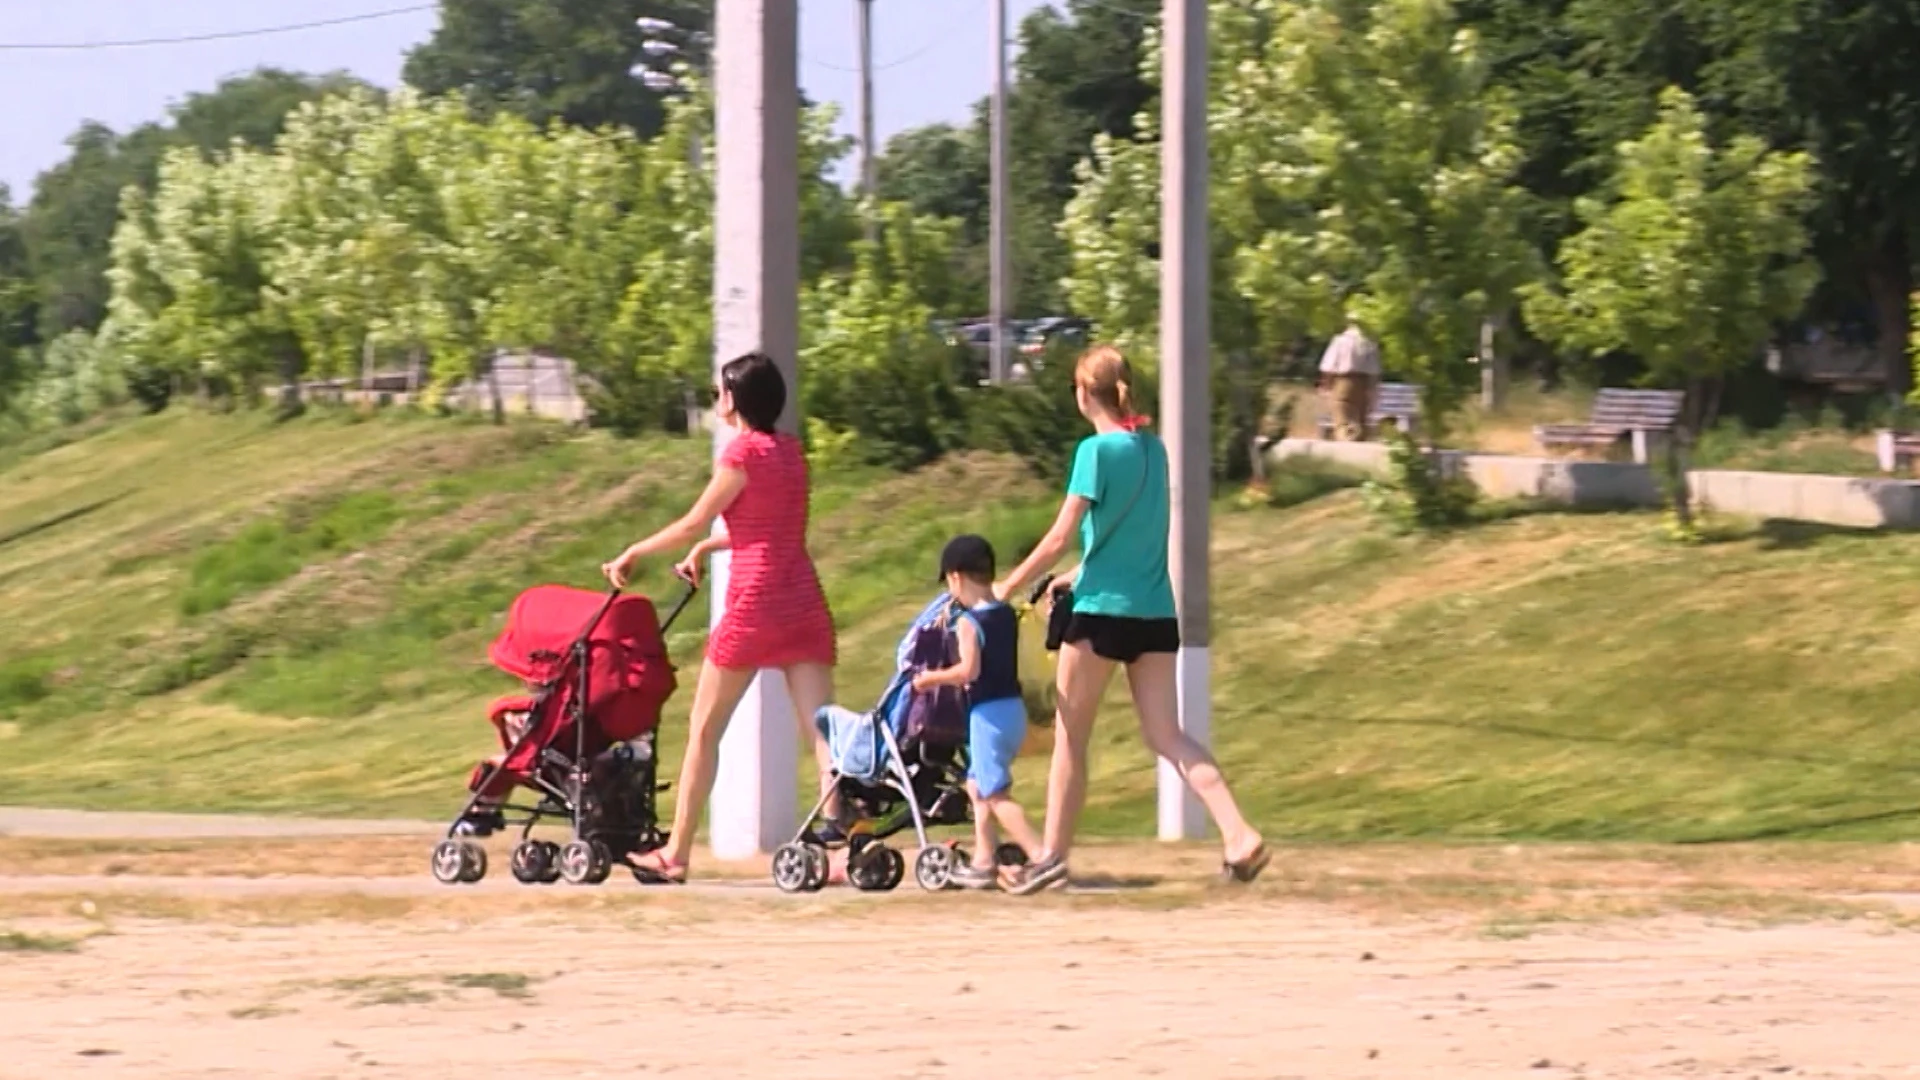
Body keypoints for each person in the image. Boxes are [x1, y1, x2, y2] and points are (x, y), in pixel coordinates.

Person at [994, 345, 1268, 896]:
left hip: (1100, 618)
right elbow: (1123, 542)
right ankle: (1239, 834)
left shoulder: (1094, 452)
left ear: (1081, 393)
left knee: (1072, 739)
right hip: (1154, 615)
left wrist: (1008, 584)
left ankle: (1051, 859)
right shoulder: (1153, 450)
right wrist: (1072, 576)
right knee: (1169, 735)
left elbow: (1058, 537)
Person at [603, 352, 838, 884]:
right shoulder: (791, 454)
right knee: (823, 731)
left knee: (705, 729)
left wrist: (633, 552)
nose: (716, 401)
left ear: (734, 399)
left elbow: (692, 520)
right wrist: (710, 548)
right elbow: (766, 528)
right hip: (801, 602)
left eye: (718, 393)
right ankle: (843, 836)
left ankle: (675, 854)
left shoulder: (742, 454)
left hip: (753, 608)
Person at [910, 534, 1042, 890]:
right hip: (1013, 711)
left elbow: (968, 671)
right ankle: (984, 860)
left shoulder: (968, 623)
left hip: (987, 715)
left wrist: (929, 679)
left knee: (995, 794)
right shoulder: (1005, 614)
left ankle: (1042, 856)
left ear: (956, 577)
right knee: (976, 784)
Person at [1318, 316, 1381, 441]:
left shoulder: (1339, 341)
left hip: (1343, 381)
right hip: (1363, 383)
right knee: (1360, 417)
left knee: (1341, 414)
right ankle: (1358, 441)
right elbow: (1374, 371)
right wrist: (1373, 390)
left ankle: (1345, 441)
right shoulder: (1369, 342)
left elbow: (1328, 367)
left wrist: (1326, 384)